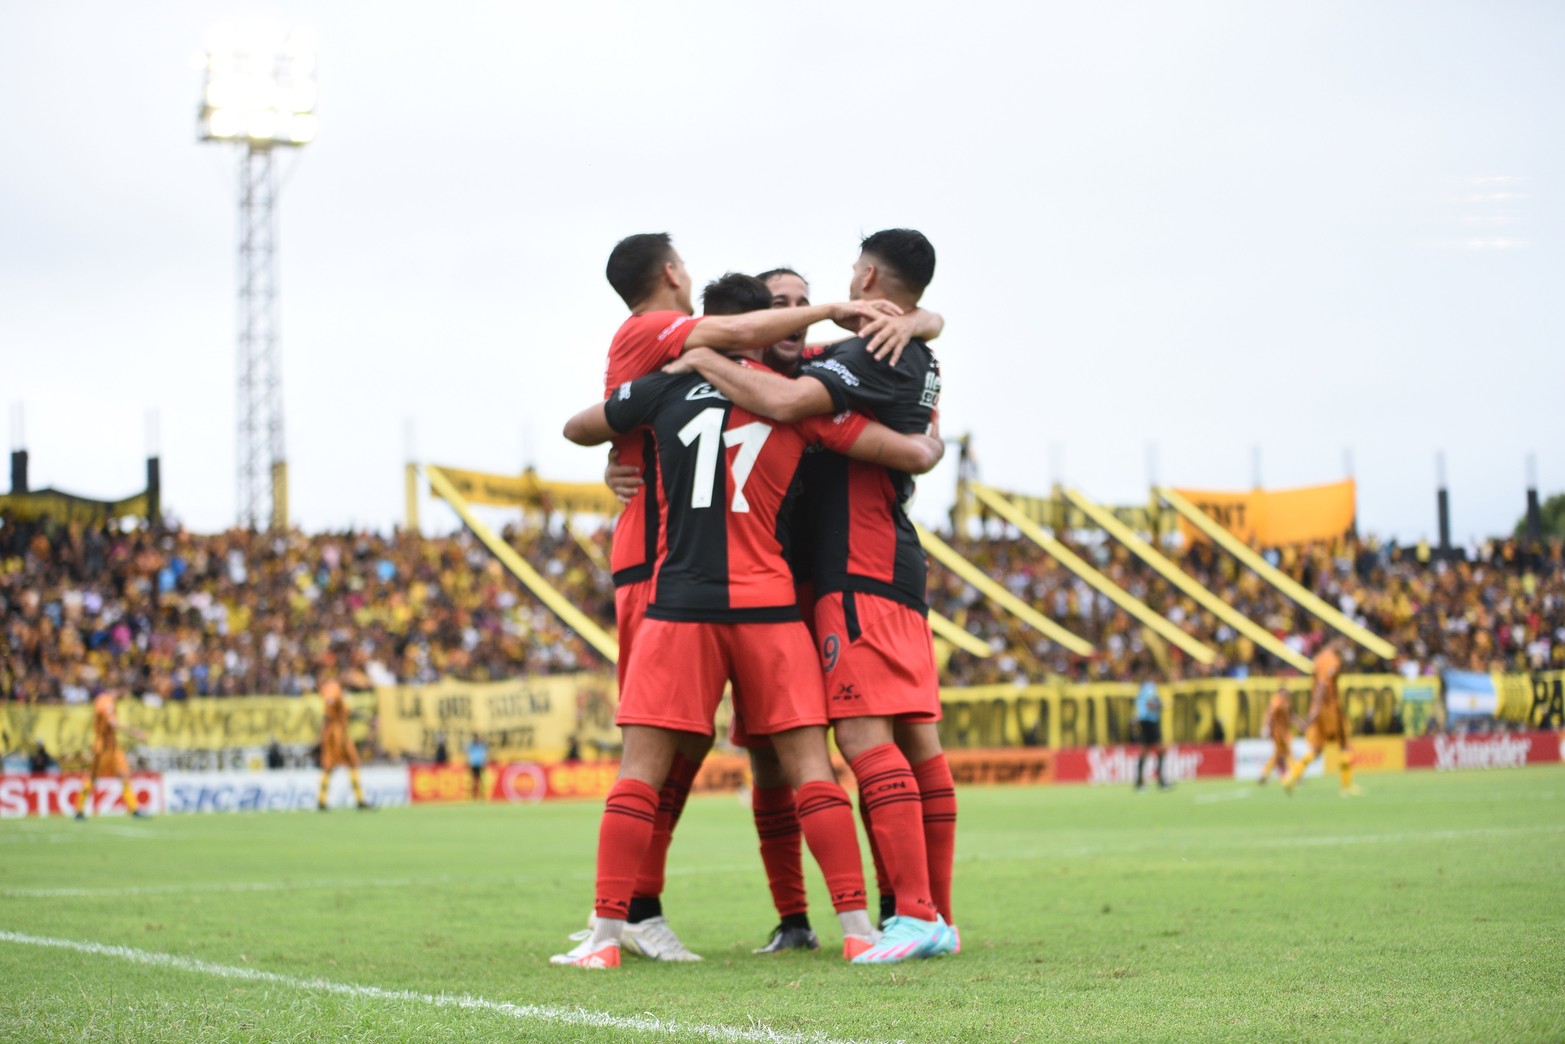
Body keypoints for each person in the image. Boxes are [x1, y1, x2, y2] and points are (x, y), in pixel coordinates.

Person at [552, 272, 949, 969]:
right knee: (811, 769)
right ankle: (857, 927)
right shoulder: (793, 405)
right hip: (770, 604)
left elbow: (578, 425)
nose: (794, 326)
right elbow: (906, 449)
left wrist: (625, 451)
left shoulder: (668, 383)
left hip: (680, 603)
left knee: (639, 771)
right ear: (758, 332)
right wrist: (927, 422)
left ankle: (605, 937)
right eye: (780, 315)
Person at [668, 230, 959, 959]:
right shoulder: (802, 371)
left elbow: (807, 405)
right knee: (798, 754)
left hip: (845, 574)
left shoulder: (832, 371)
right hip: (793, 586)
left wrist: (697, 351)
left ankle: (916, 913)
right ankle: (820, 917)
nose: (797, 316)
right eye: (780, 308)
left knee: (873, 741)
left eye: (805, 303)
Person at [1284, 637, 1361, 796]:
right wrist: (1316, 711)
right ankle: (1346, 787)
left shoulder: (1318, 658)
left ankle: (1292, 776)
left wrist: (1314, 711)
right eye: (1343, 646)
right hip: (1329, 709)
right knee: (1345, 745)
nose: (1343, 651)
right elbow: (1322, 685)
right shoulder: (1331, 660)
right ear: (1336, 643)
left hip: (1318, 708)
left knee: (1316, 749)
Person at [73, 690, 148, 820]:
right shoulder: (105, 701)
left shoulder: (105, 701)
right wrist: (134, 732)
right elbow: (112, 723)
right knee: (92, 777)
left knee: (124, 774)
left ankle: (134, 808)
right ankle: (79, 809)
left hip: (113, 747)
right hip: (103, 748)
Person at [317, 680, 371, 810]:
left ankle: (322, 800)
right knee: (353, 763)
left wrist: (362, 716)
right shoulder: (333, 687)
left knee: (328, 767)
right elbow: (330, 707)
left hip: (331, 735)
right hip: (338, 736)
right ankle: (360, 800)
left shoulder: (331, 689)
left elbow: (345, 712)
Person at [1133, 679, 1170, 791]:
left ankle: (1141, 782)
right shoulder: (1150, 688)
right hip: (1149, 722)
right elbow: (1150, 705)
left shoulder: (1141, 692)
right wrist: (1162, 705)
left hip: (1145, 722)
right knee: (1159, 750)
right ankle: (1160, 780)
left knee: (1148, 750)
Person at [1257, 688, 1298, 785]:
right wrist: (1265, 727)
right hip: (1278, 734)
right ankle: (1296, 774)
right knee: (1286, 754)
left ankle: (1264, 774)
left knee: (1279, 755)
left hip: (1284, 733)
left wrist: (1300, 724)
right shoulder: (1276, 702)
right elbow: (1269, 715)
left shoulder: (1286, 703)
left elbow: (1291, 716)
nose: (1287, 696)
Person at [466, 735, 489, 801]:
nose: (476, 739)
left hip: (480, 764)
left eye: (477, 738)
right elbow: (469, 755)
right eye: (475, 738)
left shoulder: (481, 746)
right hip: (473, 765)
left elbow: (484, 755)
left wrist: (484, 762)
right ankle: (474, 796)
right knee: (474, 781)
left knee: (481, 781)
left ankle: (482, 795)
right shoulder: (471, 746)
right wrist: (469, 763)